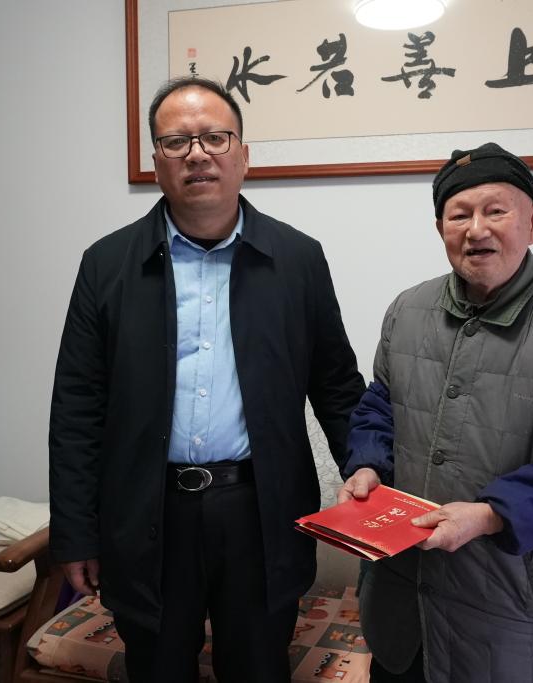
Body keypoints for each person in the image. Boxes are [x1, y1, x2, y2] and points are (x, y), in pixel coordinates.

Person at [48, 76, 365, 683]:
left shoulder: (298, 259)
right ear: (157, 161)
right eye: (177, 142)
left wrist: (369, 473)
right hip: (147, 513)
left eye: (215, 138)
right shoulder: (107, 264)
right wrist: (76, 533)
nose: (198, 154)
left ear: (244, 155)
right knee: (157, 668)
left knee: (258, 667)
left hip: (259, 511)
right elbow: (77, 409)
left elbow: (337, 386)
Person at [339, 142, 533, 683]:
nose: (476, 229)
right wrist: (367, 465)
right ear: (440, 228)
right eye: (459, 215)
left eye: (495, 210)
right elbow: (380, 404)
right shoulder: (406, 311)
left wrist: (492, 514)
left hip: (512, 611)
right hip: (402, 604)